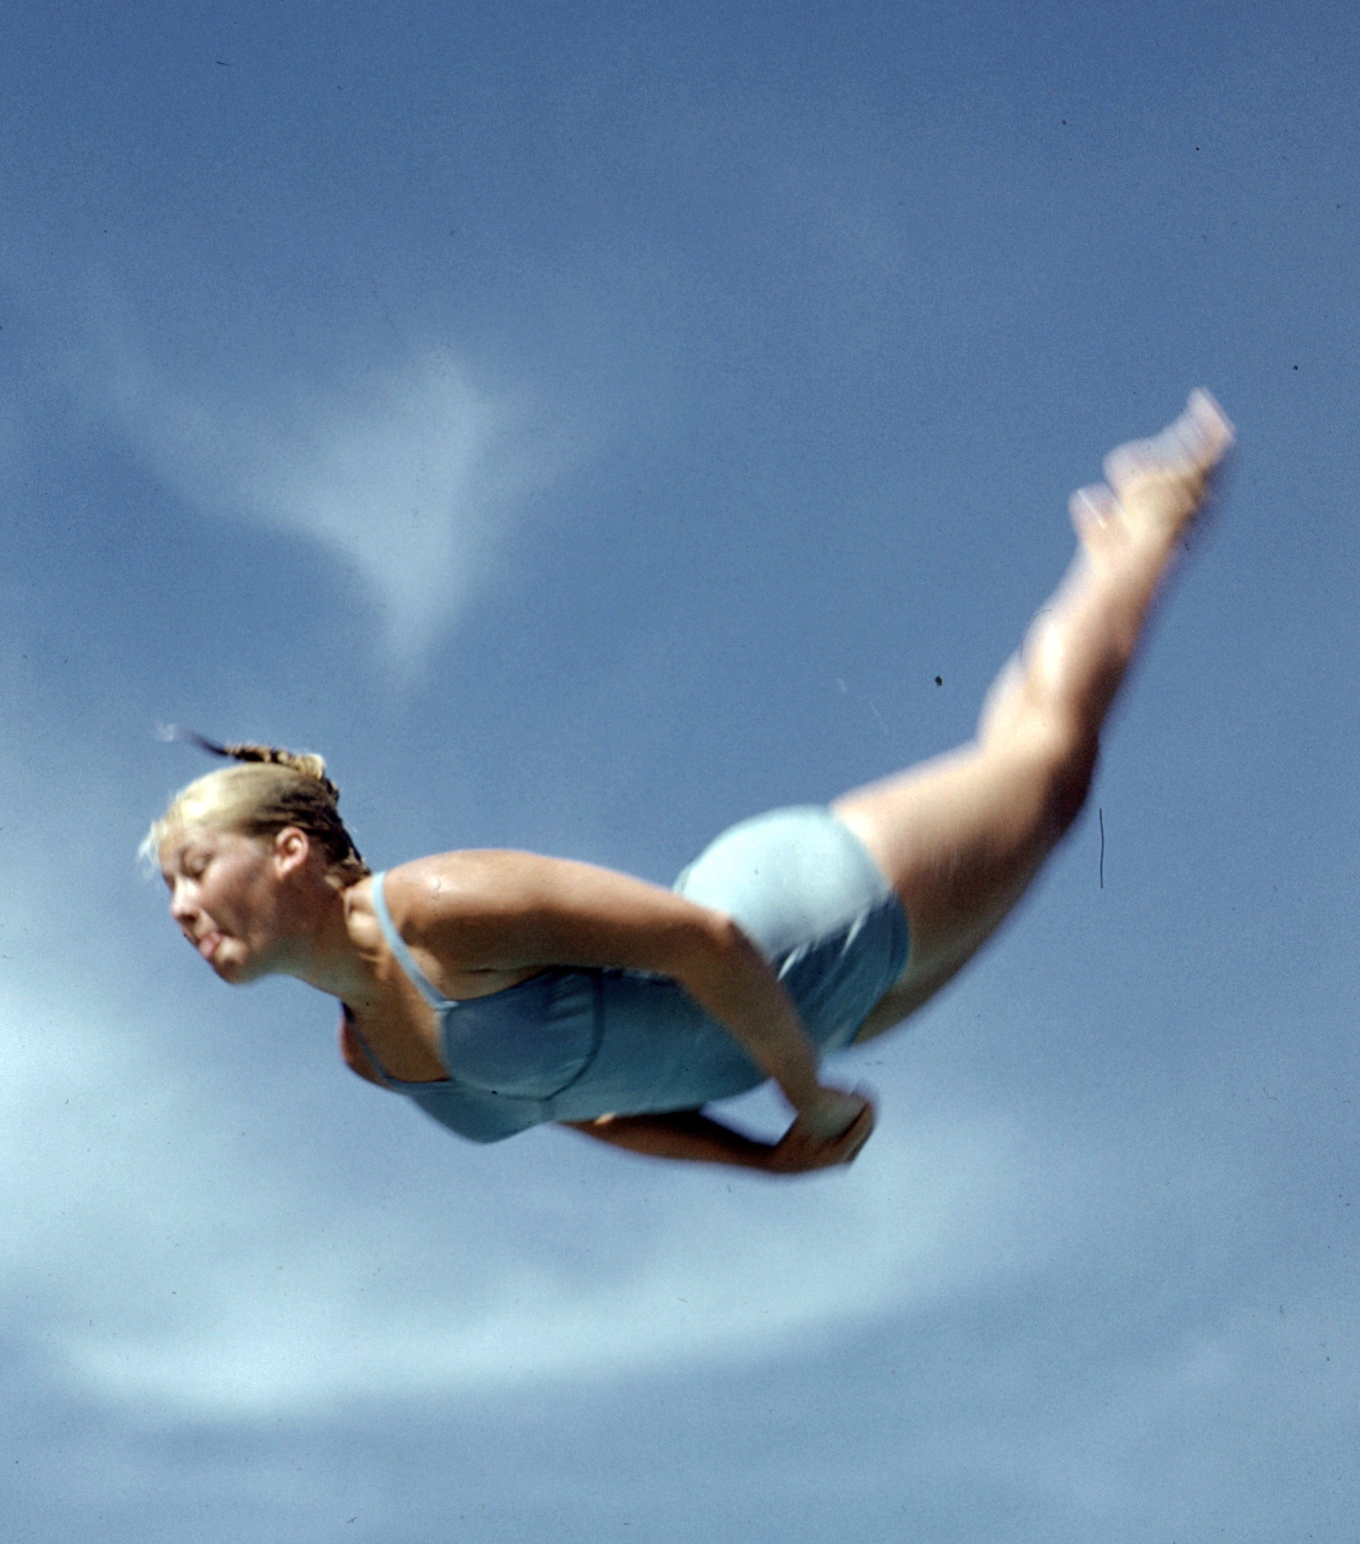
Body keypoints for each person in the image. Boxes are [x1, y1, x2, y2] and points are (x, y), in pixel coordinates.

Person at [145, 391, 1232, 1174]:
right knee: (1038, 781)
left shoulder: (436, 906)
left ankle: (1139, 523)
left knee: (1045, 776)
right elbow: (585, 1109)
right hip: (800, 1029)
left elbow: (703, 942)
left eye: (194, 870)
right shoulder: (367, 1053)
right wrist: (763, 1155)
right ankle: (1120, 547)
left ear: (289, 850)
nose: (183, 907)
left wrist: (802, 1094)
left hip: (804, 922)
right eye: (169, 893)